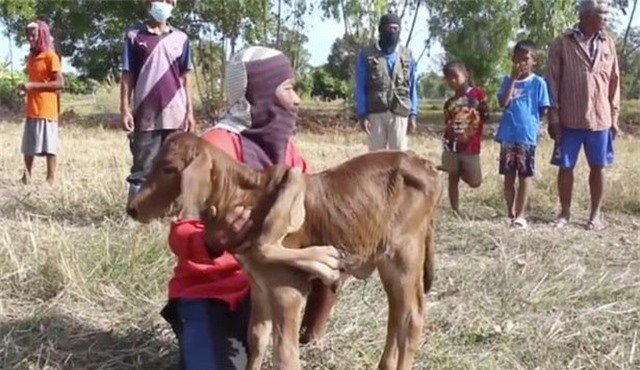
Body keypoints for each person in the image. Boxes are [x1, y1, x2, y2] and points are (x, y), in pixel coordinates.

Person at [160, 46, 343, 369]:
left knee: (333, 259)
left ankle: (304, 338)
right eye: (287, 88)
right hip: (211, 291)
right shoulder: (212, 149)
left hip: (266, 283)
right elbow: (180, 232)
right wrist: (212, 241)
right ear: (259, 93)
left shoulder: (289, 153)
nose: (297, 99)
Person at [546, 0, 620, 230]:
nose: (606, 19)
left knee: (598, 167)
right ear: (587, 15)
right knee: (565, 167)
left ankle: (595, 215)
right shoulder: (563, 41)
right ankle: (565, 213)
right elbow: (552, 81)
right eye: (602, 14)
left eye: (607, 14)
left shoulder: (608, 42)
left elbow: (614, 81)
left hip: (601, 118)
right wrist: (554, 118)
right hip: (570, 118)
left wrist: (615, 116)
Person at [119, 0, 195, 202]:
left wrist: (190, 112)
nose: (164, 4)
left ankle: (171, 213)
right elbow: (127, 75)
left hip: (176, 114)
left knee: (176, 166)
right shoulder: (134, 36)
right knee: (142, 168)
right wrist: (125, 109)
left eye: (168, 1)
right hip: (146, 115)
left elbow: (186, 78)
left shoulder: (181, 38)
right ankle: (136, 212)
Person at [496, 40, 551, 228]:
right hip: (507, 135)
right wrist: (512, 79)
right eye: (518, 58)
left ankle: (521, 215)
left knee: (525, 175)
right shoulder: (506, 80)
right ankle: (509, 212)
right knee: (508, 176)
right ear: (512, 59)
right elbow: (503, 102)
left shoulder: (538, 83)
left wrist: (535, 127)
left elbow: (544, 109)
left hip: (526, 136)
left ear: (533, 60)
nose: (522, 62)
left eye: (526, 58)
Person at [354, 12, 418, 151]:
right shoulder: (366, 54)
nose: (393, 32)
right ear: (381, 29)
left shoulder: (407, 55)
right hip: (375, 112)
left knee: (400, 157)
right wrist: (362, 114)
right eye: (389, 28)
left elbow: (412, 86)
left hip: (400, 111)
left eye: (396, 28)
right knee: (376, 160)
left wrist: (413, 114)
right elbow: (360, 86)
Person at [439, 61, 489, 214]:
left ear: (465, 75)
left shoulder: (477, 94)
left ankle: (461, 171)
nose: (452, 81)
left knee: (475, 182)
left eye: (455, 76)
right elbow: (448, 123)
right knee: (452, 177)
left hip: (471, 147)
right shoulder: (449, 103)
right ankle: (455, 210)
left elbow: (486, 115)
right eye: (448, 78)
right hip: (452, 147)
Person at [18, 20, 64, 186]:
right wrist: (25, 89)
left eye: (33, 34)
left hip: (47, 109)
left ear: (42, 35)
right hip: (32, 108)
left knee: (49, 147)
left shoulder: (50, 56)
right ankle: (26, 177)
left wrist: (32, 86)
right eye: (28, 34)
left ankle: (50, 179)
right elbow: (35, 80)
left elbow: (60, 84)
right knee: (29, 147)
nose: (30, 38)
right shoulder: (31, 57)